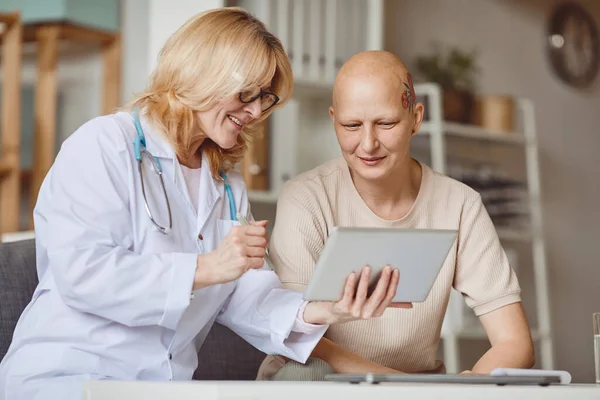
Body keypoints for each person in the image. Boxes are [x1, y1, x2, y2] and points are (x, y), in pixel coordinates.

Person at [0, 10, 409, 399]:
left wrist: (328, 308)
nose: (254, 112)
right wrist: (206, 267)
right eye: (247, 93)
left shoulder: (226, 185)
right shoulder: (105, 145)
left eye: (264, 98)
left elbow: (247, 297)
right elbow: (83, 273)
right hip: (69, 379)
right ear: (202, 73)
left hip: (158, 388)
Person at [257, 50, 535, 381]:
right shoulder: (305, 198)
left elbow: (515, 343)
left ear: (416, 118)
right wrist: (402, 386)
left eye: (386, 123)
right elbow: (300, 334)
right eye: (351, 126)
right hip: (317, 380)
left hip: (414, 386)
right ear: (334, 119)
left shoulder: (460, 204)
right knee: (308, 372)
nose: (368, 143)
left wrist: (462, 387)